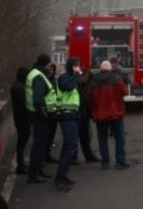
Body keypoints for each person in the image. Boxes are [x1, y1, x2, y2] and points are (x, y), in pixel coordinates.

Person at [90, 60, 130, 170]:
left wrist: (93, 112)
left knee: (102, 138)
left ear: (101, 69)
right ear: (110, 69)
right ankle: (120, 161)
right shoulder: (116, 78)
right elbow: (125, 92)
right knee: (119, 137)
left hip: (100, 115)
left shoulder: (95, 81)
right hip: (115, 114)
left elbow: (90, 97)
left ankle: (105, 162)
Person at [26, 53, 58, 183]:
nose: (51, 65)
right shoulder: (38, 77)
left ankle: (38, 171)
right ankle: (34, 175)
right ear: (45, 63)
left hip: (36, 114)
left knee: (39, 145)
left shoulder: (34, 73)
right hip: (40, 115)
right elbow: (38, 99)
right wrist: (45, 111)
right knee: (38, 146)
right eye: (49, 63)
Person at [53, 57, 82, 191]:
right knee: (71, 146)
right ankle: (59, 177)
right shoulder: (64, 78)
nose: (78, 68)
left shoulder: (71, 77)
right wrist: (76, 75)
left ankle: (62, 175)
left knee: (68, 146)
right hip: (66, 115)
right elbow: (69, 87)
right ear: (71, 66)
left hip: (72, 115)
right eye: (76, 66)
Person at [76, 68, 100, 163]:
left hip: (84, 111)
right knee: (76, 136)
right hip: (78, 112)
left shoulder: (87, 83)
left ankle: (88, 156)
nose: (86, 78)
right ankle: (74, 157)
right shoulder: (77, 84)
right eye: (84, 76)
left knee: (85, 136)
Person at [10, 67, 31, 174]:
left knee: (21, 142)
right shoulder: (20, 88)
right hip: (22, 118)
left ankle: (21, 164)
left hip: (20, 117)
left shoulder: (17, 86)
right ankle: (20, 166)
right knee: (22, 143)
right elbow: (25, 103)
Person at [44, 61, 59, 164]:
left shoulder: (54, 81)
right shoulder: (44, 81)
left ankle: (47, 154)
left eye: (53, 70)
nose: (51, 71)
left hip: (54, 111)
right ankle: (44, 156)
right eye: (50, 69)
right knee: (46, 136)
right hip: (46, 112)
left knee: (51, 136)